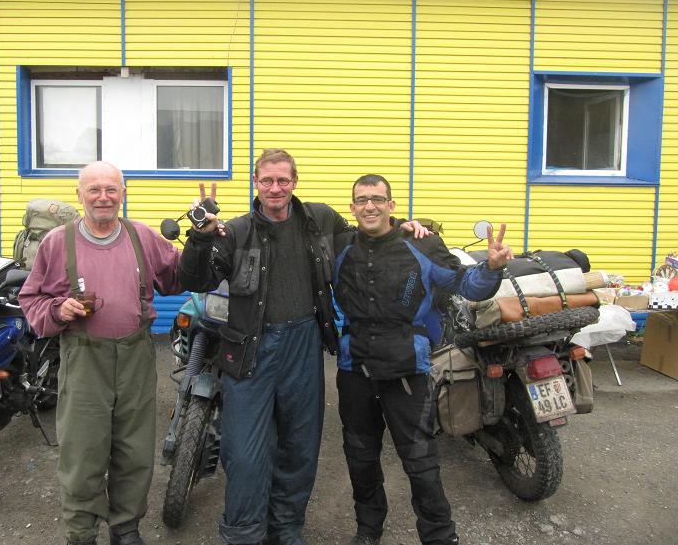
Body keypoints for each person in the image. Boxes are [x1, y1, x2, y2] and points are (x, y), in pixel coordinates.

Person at [178, 150, 427, 545]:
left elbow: (363, 238)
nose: (275, 188)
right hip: (249, 351)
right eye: (267, 181)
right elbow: (194, 279)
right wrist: (200, 235)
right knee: (244, 454)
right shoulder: (236, 231)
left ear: (294, 182)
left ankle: (286, 530)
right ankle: (244, 533)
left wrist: (402, 228)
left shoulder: (320, 219)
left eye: (283, 180)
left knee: (299, 449)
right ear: (255, 183)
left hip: (303, 343)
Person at [333, 174, 512, 545]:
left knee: (421, 463)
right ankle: (368, 532)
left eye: (378, 199)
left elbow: (467, 285)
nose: (370, 206)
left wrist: (492, 268)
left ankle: (439, 536)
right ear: (352, 207)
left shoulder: (422, 246)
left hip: (407, 371)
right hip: (355, 370)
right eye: (362, 200)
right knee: (360, 460)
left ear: (391, 206)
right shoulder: (339, 248)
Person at [19, 161, 183, 545]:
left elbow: (179, 275)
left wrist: (206, 238)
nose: (103, 197)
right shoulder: (57, 242)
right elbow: (31, 299)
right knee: (82, 451)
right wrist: (58, 310)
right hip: (83, 357)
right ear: (80, 195)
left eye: (111, 189)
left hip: (136, 355)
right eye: (94, 190)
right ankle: (82, 533)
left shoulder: (142, 236)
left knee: (134, 449)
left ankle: (126, 528)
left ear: (123, 194)